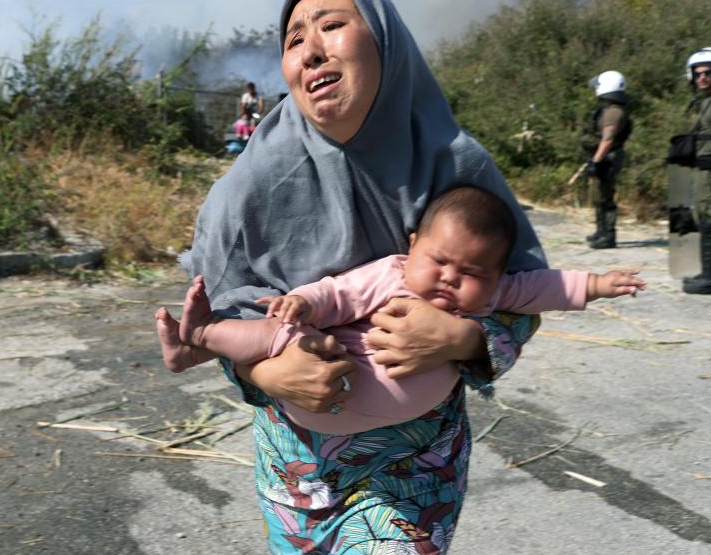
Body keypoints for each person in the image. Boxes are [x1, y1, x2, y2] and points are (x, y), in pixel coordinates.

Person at [166, 0, 548, 555]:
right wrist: (263, 374)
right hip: (299, 468)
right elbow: (217, 323)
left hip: (415, 462)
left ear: (387, 44)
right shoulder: (249, 187)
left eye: (333, 25)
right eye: (293, 40)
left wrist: (459, 338)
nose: (311, 48)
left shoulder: (455, 167)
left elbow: (524, 298)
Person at [157, 185, 644, 435]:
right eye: (438, 261)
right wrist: (302, 300)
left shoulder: (492, 298)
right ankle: (198, 339)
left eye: (472, 272)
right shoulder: (391, 273)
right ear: (412, 248)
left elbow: (544, 287)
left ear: (496, 278)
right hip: (315, 386)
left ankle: (195, 343)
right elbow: (340, 293)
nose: (451, 278)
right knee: (273, 334)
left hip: (401, 456)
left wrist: (599, 284)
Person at [580, 70, 632, 249]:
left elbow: (607, 139)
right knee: (599, 195)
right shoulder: (610, 110)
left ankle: (608, 236)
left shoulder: (613, 113)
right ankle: (600, 232)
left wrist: (596, 161)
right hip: (604, 157)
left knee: (605, 197)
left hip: (608, 158)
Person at [682, 48, 711, 294]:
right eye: (698, 73)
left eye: (708, 73)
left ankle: (709, 277)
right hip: (703, 170)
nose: (702, 77)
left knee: (708, 220)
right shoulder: (705, 102)